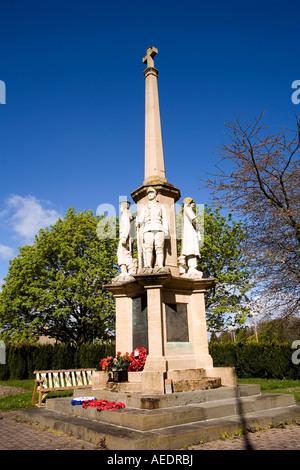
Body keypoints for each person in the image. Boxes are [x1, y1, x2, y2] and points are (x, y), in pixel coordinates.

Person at [138, 187, 168, 268]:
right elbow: (141, 219)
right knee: (148, 247)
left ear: (155, 194)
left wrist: (166, 229)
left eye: (151, 193)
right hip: (148, 228)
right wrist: (138, 222)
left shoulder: (161, 206)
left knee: (159, 247)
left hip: (159, 227)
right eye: (148, 193)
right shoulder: (145, 206)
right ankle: (148, 265)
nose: (149, 195)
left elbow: (164, 218)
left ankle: (161, 265)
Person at [181, 197, 201, 273]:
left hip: (189, 232)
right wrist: (198, 226)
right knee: (191, 249)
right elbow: (193, 218)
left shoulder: (185, 209)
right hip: (190, 232)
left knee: (189, 249)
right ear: (189, 203)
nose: (193, 205)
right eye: (192, 203)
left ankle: (185, 267)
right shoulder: (187, 208)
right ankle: (192, 267)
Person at [117, 200, 134, 274]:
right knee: (125, 253)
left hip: (125, 237)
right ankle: (127, 270)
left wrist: (124, 237)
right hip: (126, 237)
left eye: (121, 206)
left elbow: (126, 225)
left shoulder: (125, 213)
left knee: (121, 253)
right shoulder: (127, 214)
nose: (120, 208)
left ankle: (124, 271)